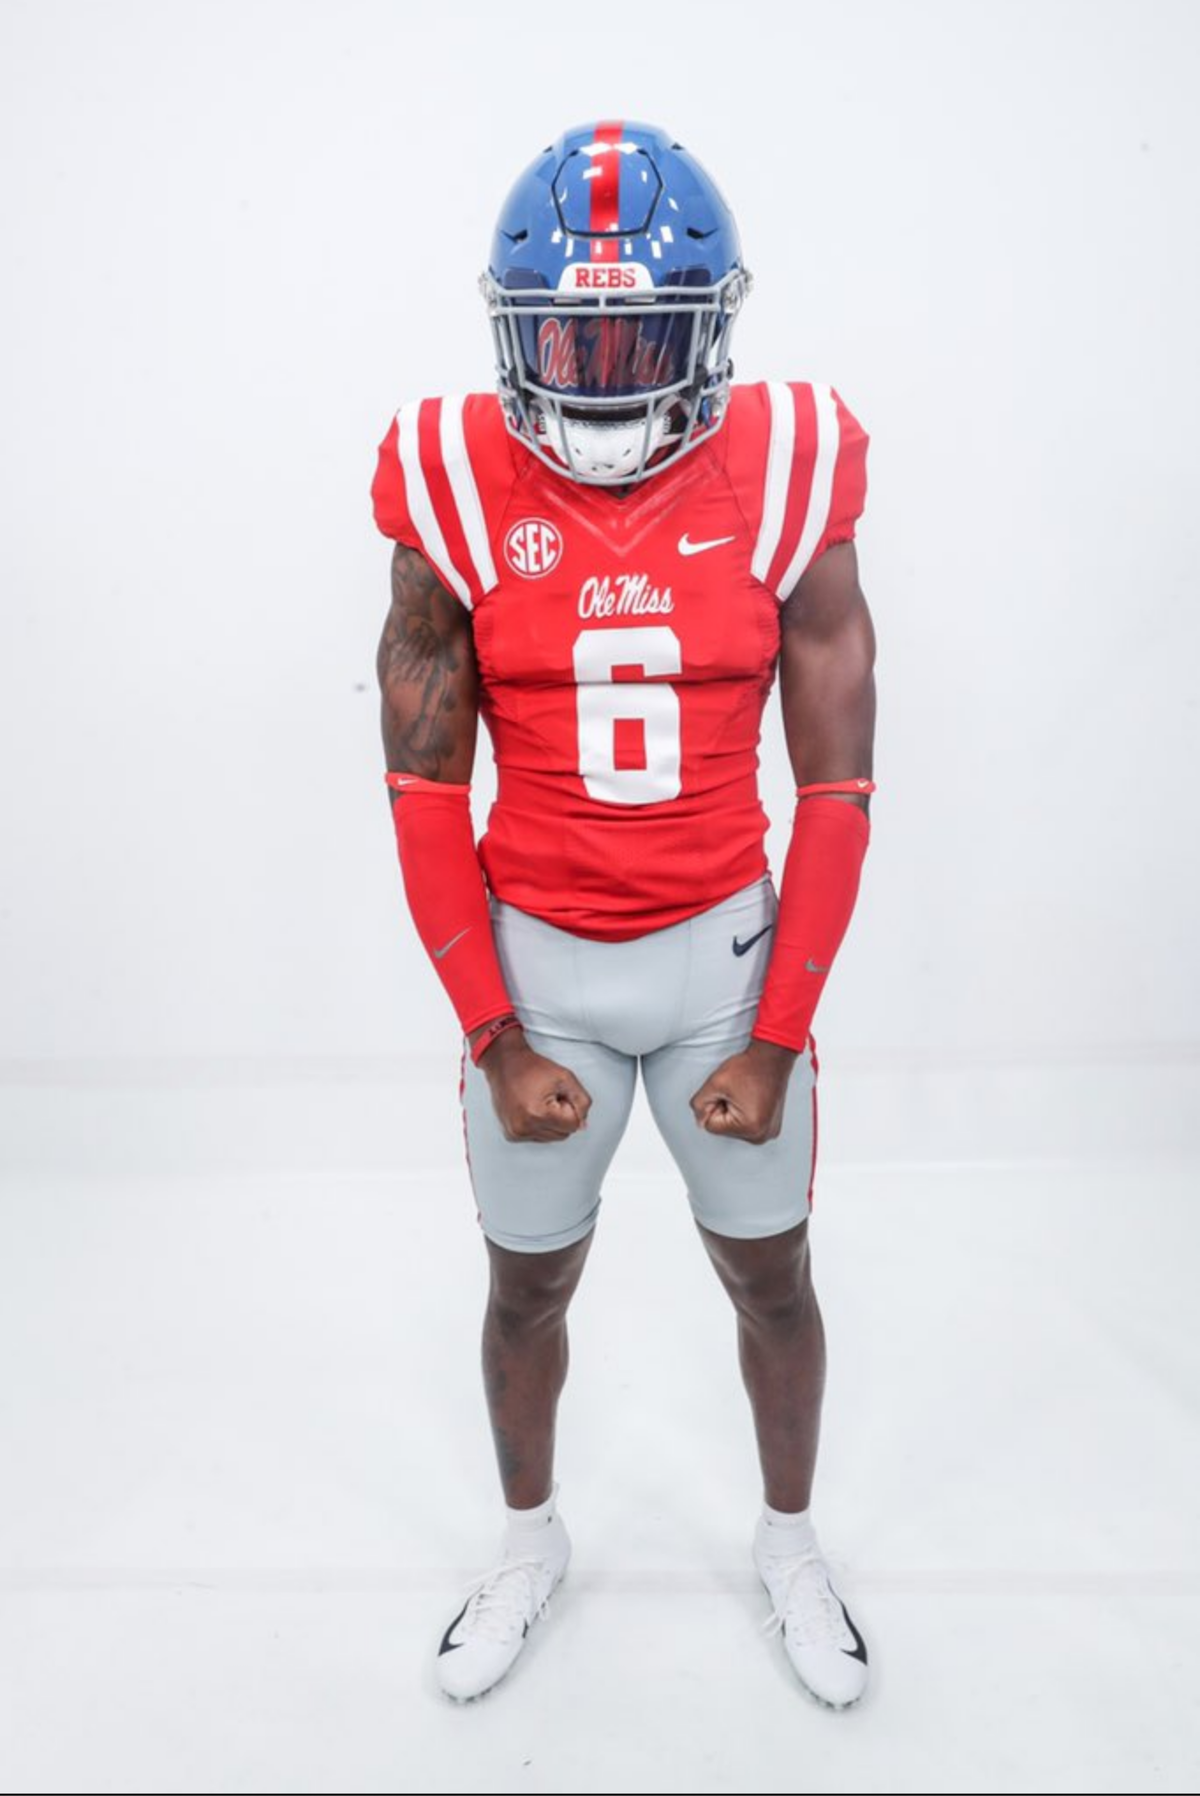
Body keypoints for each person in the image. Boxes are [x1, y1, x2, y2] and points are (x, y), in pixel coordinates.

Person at [372, 119, 876, 1709]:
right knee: (526, 1287)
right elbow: (421, 791)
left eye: (641, 335)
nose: (600, 372)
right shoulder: (450, 476)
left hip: (727, 961)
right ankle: (529, 1544)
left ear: (712, 329)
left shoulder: (787, 464)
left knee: (773, 1278)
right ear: (509, 333)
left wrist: (778, 1036)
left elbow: (840, 788)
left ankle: (790, 1544)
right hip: (538, 970)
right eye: (569, 337)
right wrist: (495, 1037)